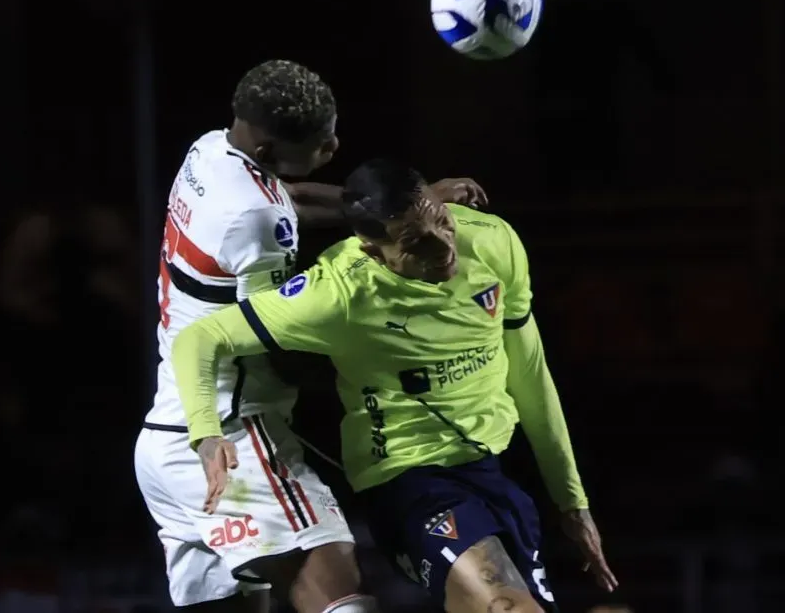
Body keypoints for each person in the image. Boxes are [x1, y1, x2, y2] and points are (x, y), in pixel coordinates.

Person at [171, 158, 619, 613]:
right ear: (371, 250)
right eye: (414, 242)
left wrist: (571, 500)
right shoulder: (338, 293)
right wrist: (205, 432)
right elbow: (200, 339)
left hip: (493, 471)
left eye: (442, 223)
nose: (443, 246)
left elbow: (530, 373)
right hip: (409, 481)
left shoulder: (492, 242)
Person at [134, 60, 487, 613]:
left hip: (165, 438)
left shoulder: (208, 153)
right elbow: (273, 341)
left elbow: (285, 201)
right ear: (271, 149)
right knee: (336, 581)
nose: (336, 145)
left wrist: (400, 209)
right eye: (323, 144)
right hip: (232, 434)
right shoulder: (253, 224)